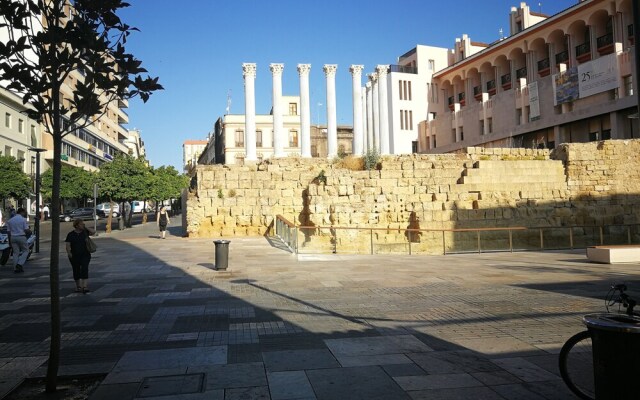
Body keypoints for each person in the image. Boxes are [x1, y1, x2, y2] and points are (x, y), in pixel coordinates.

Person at [65, 218, 94, 293]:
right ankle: (78, 286)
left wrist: (85, 227)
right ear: (76, 226)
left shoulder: (85, 232)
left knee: (84, 268)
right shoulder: (71, 234)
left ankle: (84, 286)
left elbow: (93, 232)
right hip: (74, 255)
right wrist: (69, 253)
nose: (83, 225)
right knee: (76, 270)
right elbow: (68, 245)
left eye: (83, 224)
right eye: (81, 224)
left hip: (85, 254)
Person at [7, 208, 30, 273]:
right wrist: (29, 231)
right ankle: (19, 264)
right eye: (25, 212)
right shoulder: (23, 220)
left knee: (15, 253)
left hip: (13, 237)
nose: (25, 213)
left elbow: (8, 232)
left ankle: (15, 268)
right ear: (22, 212)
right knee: (26, 251)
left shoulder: (10, 220)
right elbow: (26, 229)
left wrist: (9, 241)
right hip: (21, 236)